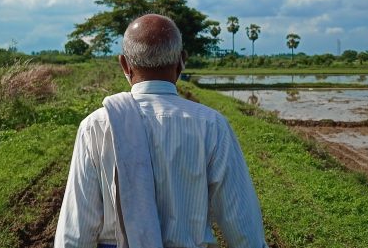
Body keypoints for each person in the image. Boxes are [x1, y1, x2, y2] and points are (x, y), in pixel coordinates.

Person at [54, 14, 267, 248]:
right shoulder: (211, 125)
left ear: (124, 64)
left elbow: (75, 233)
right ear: (181, 61)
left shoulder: (96, 125)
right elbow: (243, 225)